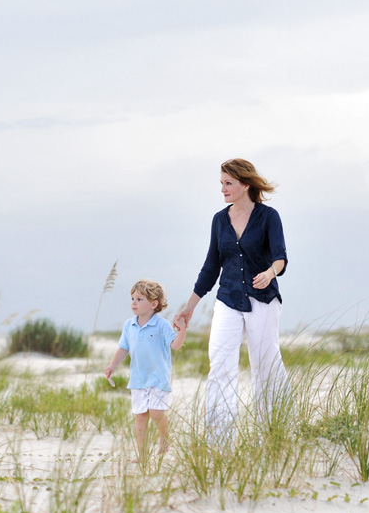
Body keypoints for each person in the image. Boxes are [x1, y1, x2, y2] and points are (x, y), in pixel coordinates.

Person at [175, 158, 290, 437]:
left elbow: (281, 258)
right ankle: (218, 440)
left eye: (228, 183)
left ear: (245, 184)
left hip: (262, 299)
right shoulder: (219, 220)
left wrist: (269, 273)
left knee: (265, 365)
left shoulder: (269, 216)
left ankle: (274, 433)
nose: (223, 189)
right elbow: (211, 266)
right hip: (228, 299)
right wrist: (190, 307)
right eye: (222, 184)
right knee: (220, 364)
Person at [105, 279, 188, 460]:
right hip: (138, 379)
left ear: (153, 304)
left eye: (139, 299)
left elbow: (175, 345)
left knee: (157, 413)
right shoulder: (129, 325)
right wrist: (112, 365)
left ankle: (165, 439)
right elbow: (123, 348)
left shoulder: (162, 325)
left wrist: (182, 331)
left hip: (158, 379)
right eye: (133, 298)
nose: (134, 302)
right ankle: (142, 454)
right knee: (140, 416)